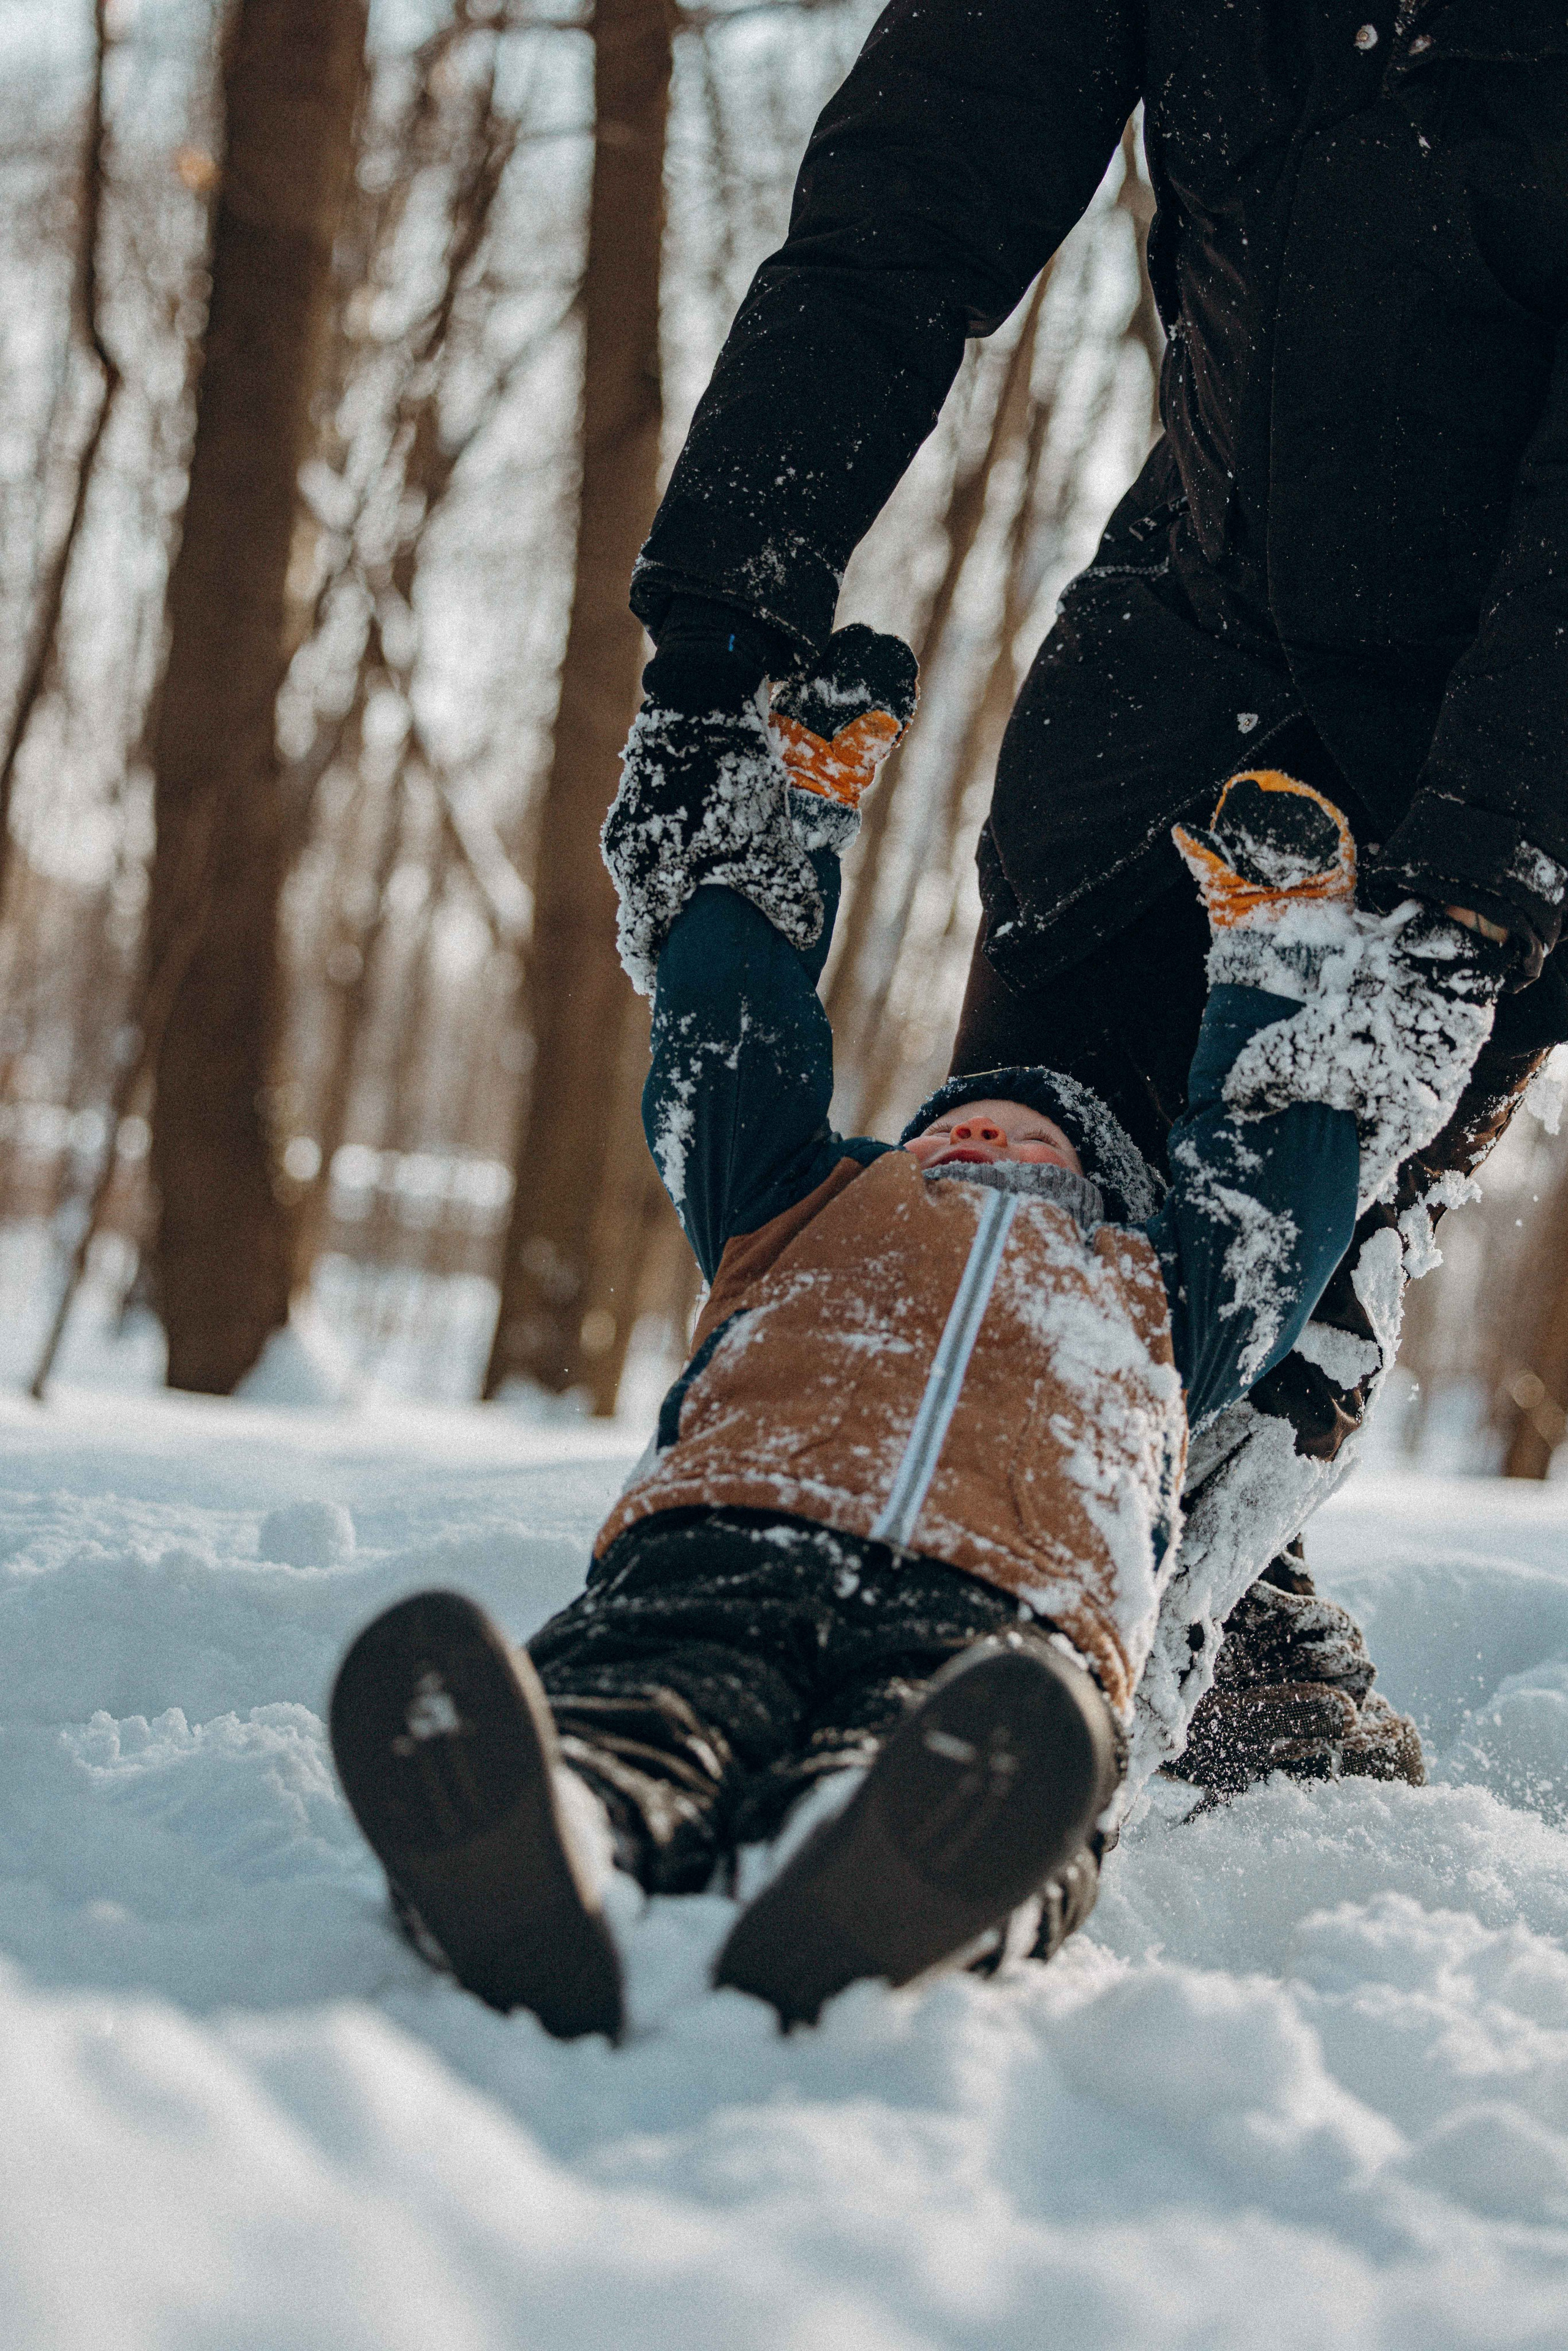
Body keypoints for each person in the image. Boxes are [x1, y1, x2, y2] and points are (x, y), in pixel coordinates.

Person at [614, 0, 1568, 1784]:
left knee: (1288, 1254)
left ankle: (1133, 1664)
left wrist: (1469, 910)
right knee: (1008, 1249)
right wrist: (713, 655)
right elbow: (911, 205)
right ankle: (763, 1629)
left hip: (1499, 726)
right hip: (1181, 660)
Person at [330, 635, 1493, 2042]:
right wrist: (790, 813)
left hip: (1002, 1609)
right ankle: (562, 1823)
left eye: (1033, 1134)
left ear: (1112, 1182)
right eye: (965, 1121)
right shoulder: (796, 1205)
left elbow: (1274, 1176)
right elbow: (728, 1031)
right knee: (655, 1693)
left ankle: (888, 1869)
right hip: (728, 1538)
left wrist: (1279, 954)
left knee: (966, 1754)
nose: (991, 1131)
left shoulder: (1159, 1281)